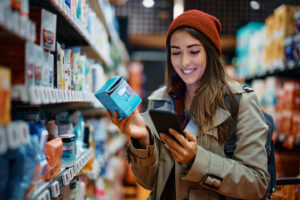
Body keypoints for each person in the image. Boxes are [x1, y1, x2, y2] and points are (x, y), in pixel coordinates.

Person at [107, 9, 270, 200]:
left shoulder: (240, 102)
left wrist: (196, 159)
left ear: (210, 52)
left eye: (194, 51)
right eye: (176, 53)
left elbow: (257, 184)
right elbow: (149, 182)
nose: (184, 62)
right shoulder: (160, 100)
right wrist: (143, 141)